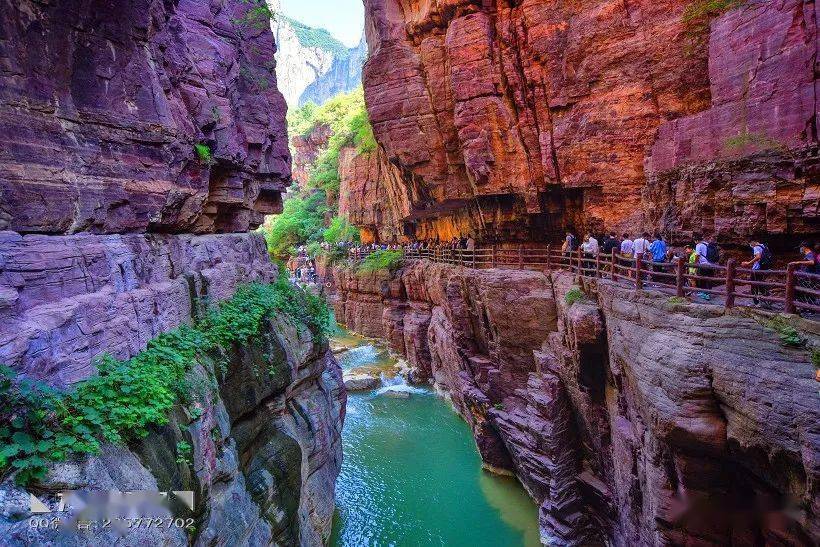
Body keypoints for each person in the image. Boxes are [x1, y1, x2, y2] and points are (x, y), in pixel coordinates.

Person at [741, 239, 770, 307]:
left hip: (756, 269)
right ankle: (768, 299)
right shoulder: (764, 246)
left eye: (750, 243)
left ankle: (756, 303)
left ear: (753, 242)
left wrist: (748, 263)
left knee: (754, 286)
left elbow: (758, 256)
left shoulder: (756, 247)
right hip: (763, 269)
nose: (750, 245)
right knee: (760, 284)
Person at [693, 233, 712, 300]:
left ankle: (705, 294)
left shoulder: (699, 245)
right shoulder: (706, 244)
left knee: (703, 278)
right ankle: (709, 292)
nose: (695, 242)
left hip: (704, 264)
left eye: (695, 240)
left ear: (697, 240)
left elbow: (697, 255)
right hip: (711, 264)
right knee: (709, 279)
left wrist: (695, 263)